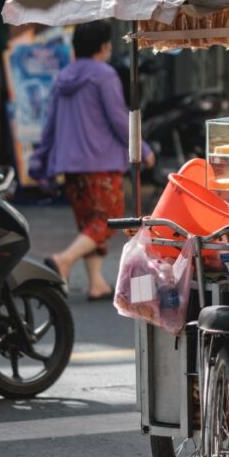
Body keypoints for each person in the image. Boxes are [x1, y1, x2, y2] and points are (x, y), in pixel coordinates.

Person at [29, 21, 154, 300]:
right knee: (107, 221)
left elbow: (50, 126)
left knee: (89, 223)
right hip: (101, 163)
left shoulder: (62, 79)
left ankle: (96, 282)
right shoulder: (104, 75)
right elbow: (119, 119)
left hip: (71, 167)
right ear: (104, 46)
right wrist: (142, 148)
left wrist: (39, 163)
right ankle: (63, 259)